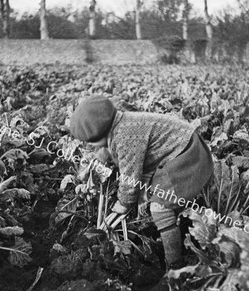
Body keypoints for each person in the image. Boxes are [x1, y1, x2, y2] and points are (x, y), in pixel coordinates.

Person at [70, 95, 213, 272]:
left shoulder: (126, 136)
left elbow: (130, 178)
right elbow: (107, 151)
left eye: (90, 141)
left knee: (160, 207)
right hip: (177, 149)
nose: (89, 145)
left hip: (186, 155)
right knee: (148, 193)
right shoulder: (119, 124)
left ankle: (174, 267)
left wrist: (123, 204)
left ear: (100, 134)